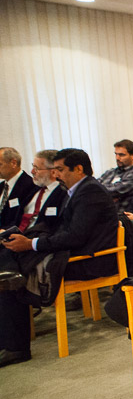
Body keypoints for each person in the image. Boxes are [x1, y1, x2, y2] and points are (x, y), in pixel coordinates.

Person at [0, 148, 118, 367]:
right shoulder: (78, 190)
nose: (57, 174)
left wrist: (32, 244)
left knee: (12, 272)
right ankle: (11, 341)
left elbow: (75, 236)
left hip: (89, 261)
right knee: (9, 262)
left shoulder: (89, 192)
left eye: (61, 169)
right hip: (76, 252)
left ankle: (16, 347)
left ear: (79, 169)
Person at [13, 150, 67, 234]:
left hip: (37, 238)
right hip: (17, 234)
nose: (32, 171)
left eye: (36, 168)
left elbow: (53, 228)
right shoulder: (33, 189)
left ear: (53, 172)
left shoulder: (64, 193)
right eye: (33, 166)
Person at [97, 139, 133, 212]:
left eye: (121, 155)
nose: (117, 158)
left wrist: (101, 192)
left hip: (119, 215)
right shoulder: (110, 172)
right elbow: (94, 186)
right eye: (116, 154)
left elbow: (113, 191)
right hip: (100, 212)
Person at [0, 147, 37, 230]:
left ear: (13, 163)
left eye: (0, 164)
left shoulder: (30, 185)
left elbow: (23, 219)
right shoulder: (1, 186)